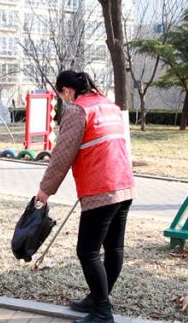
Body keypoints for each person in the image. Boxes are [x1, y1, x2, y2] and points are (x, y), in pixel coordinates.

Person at [35, 71, 135, 323]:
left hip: (100, 189)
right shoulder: (109, 105)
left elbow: (61, 155)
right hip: (124, 185)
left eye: (62, 94)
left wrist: (45, 190)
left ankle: (102, 312)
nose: (62, 99)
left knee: (87, 251)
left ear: (67, 90)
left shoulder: (78, 110)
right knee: (114, 248)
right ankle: (96, 299)